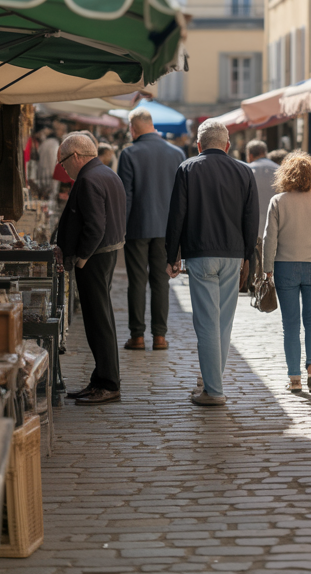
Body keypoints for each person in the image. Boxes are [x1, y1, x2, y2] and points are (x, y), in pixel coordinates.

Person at [165, 120, 258, 406]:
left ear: (199, 145)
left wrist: (172, 255)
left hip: (201, 252)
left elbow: (176, 215)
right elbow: (251, 218)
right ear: (227, 145)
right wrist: (248, 258)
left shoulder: (188, 168)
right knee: (223, 323)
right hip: (233, 254)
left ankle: (214, 390)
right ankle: (211, 381)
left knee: (206, 322)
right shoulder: (244, 171)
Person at [55, 132, 127, 405]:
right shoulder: (106, 173)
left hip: (95, 257)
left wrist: (83, 256)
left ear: (75, 156)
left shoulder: (88, 178)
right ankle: (101, 379)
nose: (63, 170)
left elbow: (95, 226)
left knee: (98, 321)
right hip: (105, 253)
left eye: (63, 163)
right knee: (101, 318)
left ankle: (108, 383)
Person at [263, 152, 311, 393]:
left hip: (285, 266)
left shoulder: (278, 201)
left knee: (291, 324)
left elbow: (269, 240)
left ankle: (294, 378)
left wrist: (266, 269)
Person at [117, 108, 186, 352]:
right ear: (152, 125)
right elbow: (182, 197)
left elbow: (125, 195)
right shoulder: (177, 153)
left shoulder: (129, 153)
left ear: (133, 128)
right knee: (161, 282)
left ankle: (137, 337)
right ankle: (160, 337)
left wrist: (120, 229)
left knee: (136, 281)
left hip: (137, 226)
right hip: (167, 230)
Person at [246, 140, 279, 285]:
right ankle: (269, 282)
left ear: (250, 155)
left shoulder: (246, 169)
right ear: (264, 152)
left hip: (252, 222)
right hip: (275, 221)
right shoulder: (279, 170)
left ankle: (253, 283)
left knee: (253, 255)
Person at [37, 121, 65, 198]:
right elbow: (53, 166)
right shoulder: (54, 145)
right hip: (49, 182)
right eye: (62, 130)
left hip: (41, 180)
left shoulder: (45, 143)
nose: (63, 133)